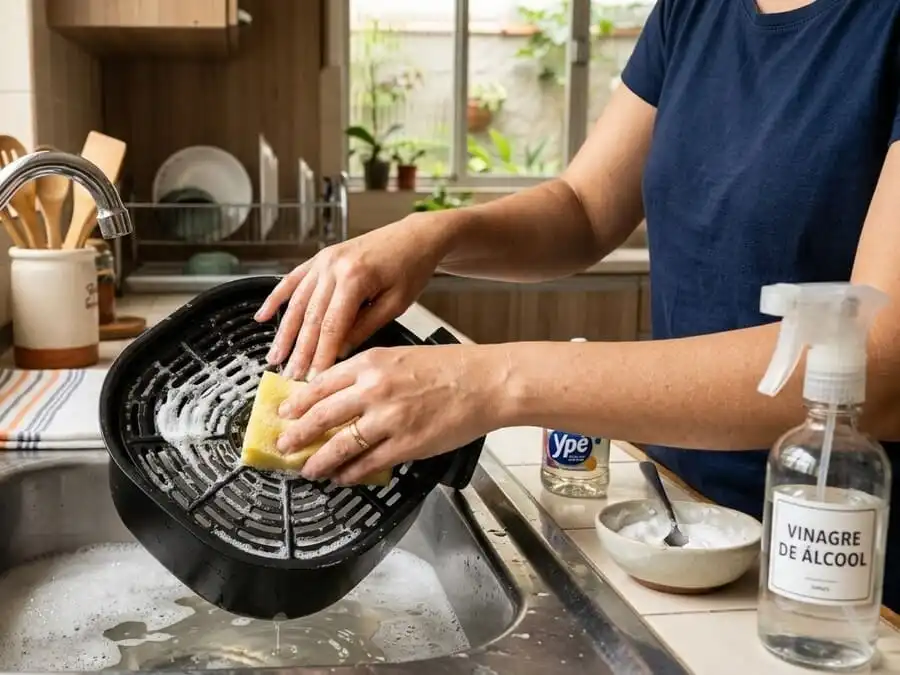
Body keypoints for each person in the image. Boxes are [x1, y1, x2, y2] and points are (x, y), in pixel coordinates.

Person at [255, 0, 900, 611]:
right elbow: (585, 208)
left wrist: (488, 382)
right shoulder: (691, 11)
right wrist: (432, 235)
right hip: (678, 526)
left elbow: (877, 366)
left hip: (845, 569)